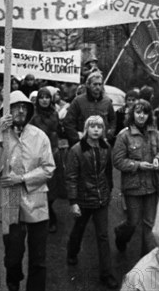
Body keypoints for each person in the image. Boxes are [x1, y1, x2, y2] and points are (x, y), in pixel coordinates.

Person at [0, 90, 55, 291]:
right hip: (10, 198)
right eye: (15, 107)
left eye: (24, 107)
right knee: (13, 253)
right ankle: (13, 279)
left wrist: (22, 179)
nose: (21, 111)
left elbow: (48, 168)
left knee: (38, 256)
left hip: (36, 196)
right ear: (5, 111)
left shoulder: (39, 136)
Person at [65, 116, 118, 289]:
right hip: (83, 198)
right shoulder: (77, 150)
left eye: (99, 127)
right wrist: (74, 201)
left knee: (103, 235)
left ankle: (106, 274)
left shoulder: (106, 147)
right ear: (86, 128)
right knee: (78, 229)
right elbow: (71, 177)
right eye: (92, 126)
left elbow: (108, 172)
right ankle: (72, 252)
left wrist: (109, 189)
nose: (96, 130)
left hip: (101, 198)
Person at [112, 99, 159, 257]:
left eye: (145, 112)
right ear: (132, 114)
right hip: (133, 186)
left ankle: (146, 261)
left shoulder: (154, 133)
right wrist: (138, 165)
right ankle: (120, 234)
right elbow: (118, 161)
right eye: (138, 112)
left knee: (149, 223)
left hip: (151, 185)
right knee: (133, 222)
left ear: (149, 115)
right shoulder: (124, 135)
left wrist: (158, 159)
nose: (141, 116)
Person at [29, 87, 61, 233]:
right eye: (41, 97)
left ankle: (49, 213)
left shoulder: (55, 113)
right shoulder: (33, 116)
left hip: (53, 153)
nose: (44, 100)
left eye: (47, 97)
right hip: (38, 155)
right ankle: (47, 217)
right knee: (40, 186)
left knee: (53, 187)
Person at [63, 70, 115, 147]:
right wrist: (76, 137)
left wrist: (109, 134)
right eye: (95, 84)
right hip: (83, 145)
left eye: (100, 84)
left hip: (101, 144)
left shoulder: (107, 102)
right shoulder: (78, 101)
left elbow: (113, 121)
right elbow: (68, 122)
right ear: (88, 85)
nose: (97, 87)